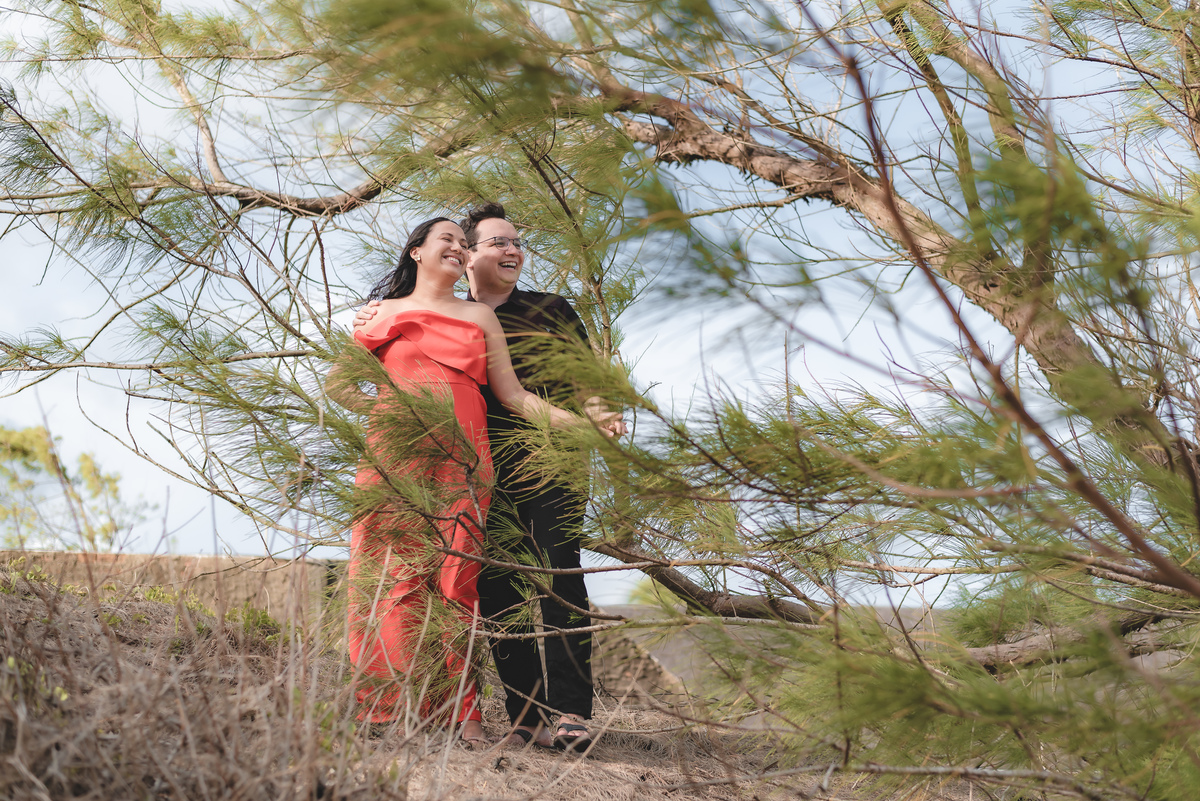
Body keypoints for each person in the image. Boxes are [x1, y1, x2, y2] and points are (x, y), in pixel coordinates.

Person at [356, 202, 626, 752]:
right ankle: (523, 714)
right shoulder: (420, 310)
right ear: (469, 254)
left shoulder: (548, 308)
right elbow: (364, 377)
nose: (511, 250)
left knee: (556, 571)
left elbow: (578, 377)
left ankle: (571, 710)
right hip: (466, 461)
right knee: (496, 585)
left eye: (515, 242)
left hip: (546, 458)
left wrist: (595, 416)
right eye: (496, 241)